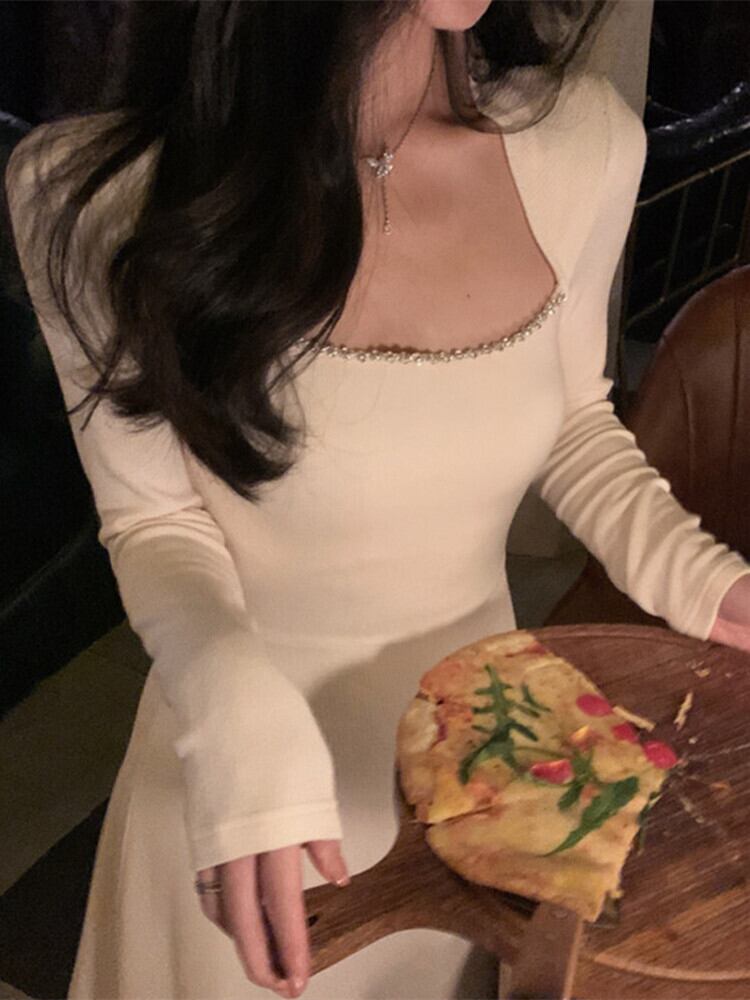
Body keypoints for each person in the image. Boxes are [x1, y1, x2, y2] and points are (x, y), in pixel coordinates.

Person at [5, 1, 750, 997]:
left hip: (487, 788)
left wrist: (706, 583)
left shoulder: (584, 143)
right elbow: (154, 520)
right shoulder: (93, 198)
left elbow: (574, 419)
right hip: (251, 799)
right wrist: (230, 703)